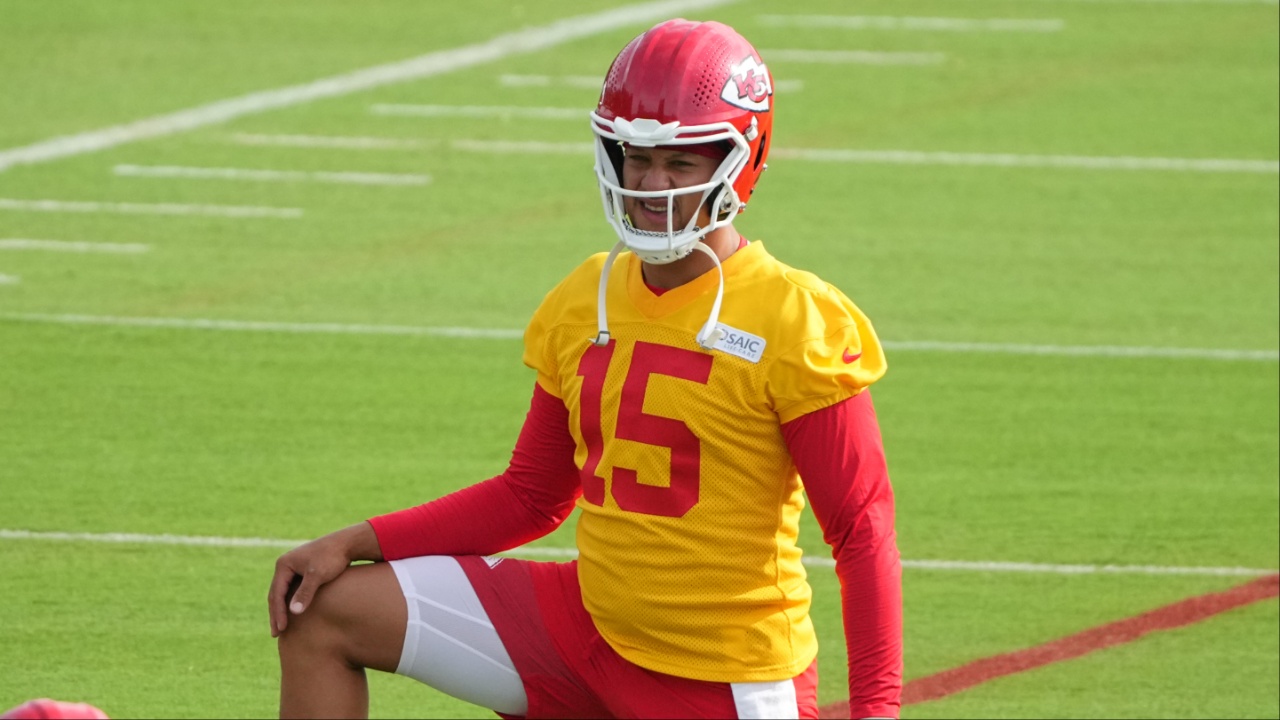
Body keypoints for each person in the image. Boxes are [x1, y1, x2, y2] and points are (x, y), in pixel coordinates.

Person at [268, 18, 902, 720]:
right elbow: (531, 495)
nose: (651, 184)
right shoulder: (588, 295)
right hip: (582, 633)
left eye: (680, 163)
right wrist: (354, 542)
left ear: (739, 159)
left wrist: (878, 711)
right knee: (318, 607)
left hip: (722, 678)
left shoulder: (795, 316)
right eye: (637, 157)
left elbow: (861, 531)